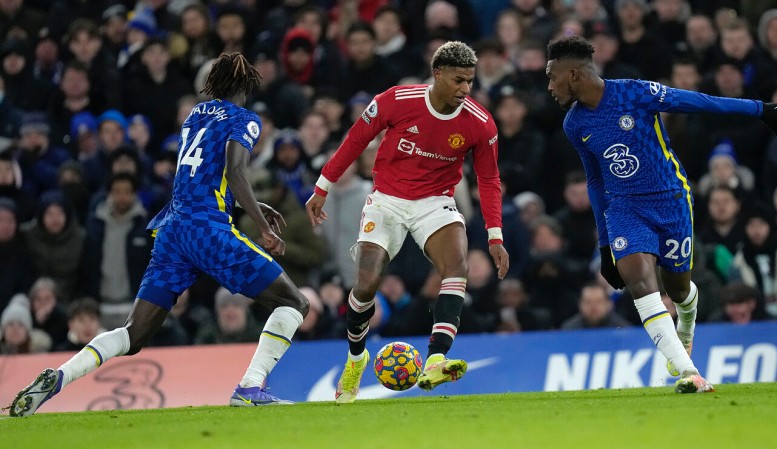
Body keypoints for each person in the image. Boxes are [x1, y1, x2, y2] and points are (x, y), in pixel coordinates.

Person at [8, 53, 309, 417]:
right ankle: (250, 387)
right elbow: (234, 169)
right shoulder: (245, 119)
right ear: (247, 85)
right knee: (294, 302)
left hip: (172, 229)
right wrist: (262, 226)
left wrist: (251, 205)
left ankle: (59, 376)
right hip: (206, 229)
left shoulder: (195, 116)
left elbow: (205, 176)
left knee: (133, 333)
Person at [545, 36, 777, 394]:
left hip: (671, 199)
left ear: (573, 74)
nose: (549, 87)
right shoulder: (574, 124)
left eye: (552, 78)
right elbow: (596, 183)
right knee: (641, 284)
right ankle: (689, 371)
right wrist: (603, 246)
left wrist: (758, 109)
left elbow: (696, 102)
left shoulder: (634, 93)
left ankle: (686, 323)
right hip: (625, 208)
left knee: (678, 288)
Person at [305, 41, 509, 403]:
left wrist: (495, 235)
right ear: (438, 74)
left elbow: (489, 179)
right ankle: (356, 359)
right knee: (366, 284)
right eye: (459, 81)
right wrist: (323, 186)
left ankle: (436, 360)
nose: (466, 89)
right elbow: (355, 140)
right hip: (386, 200)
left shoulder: (479, 123)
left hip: (436, 203)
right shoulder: (397, 100)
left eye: (470, 82)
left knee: (456, 266)